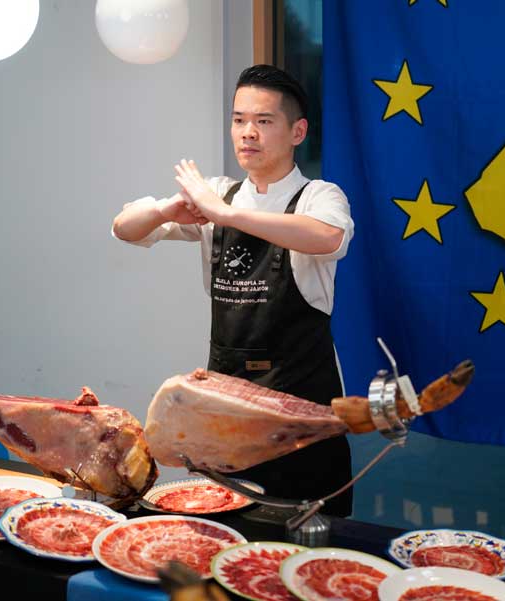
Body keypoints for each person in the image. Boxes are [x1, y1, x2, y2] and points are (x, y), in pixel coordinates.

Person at [112, 64, 354, 517]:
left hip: (299, 404)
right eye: (239, 120)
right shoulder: (219, 195)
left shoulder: (321, 196)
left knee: (308, 537)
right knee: (225, 528)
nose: (248, 133)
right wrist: (169, 208)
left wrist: (225, 215)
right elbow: (124, 228)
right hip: (224, 401)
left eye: (264, 121)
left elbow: (326, 237)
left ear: (297, 131)